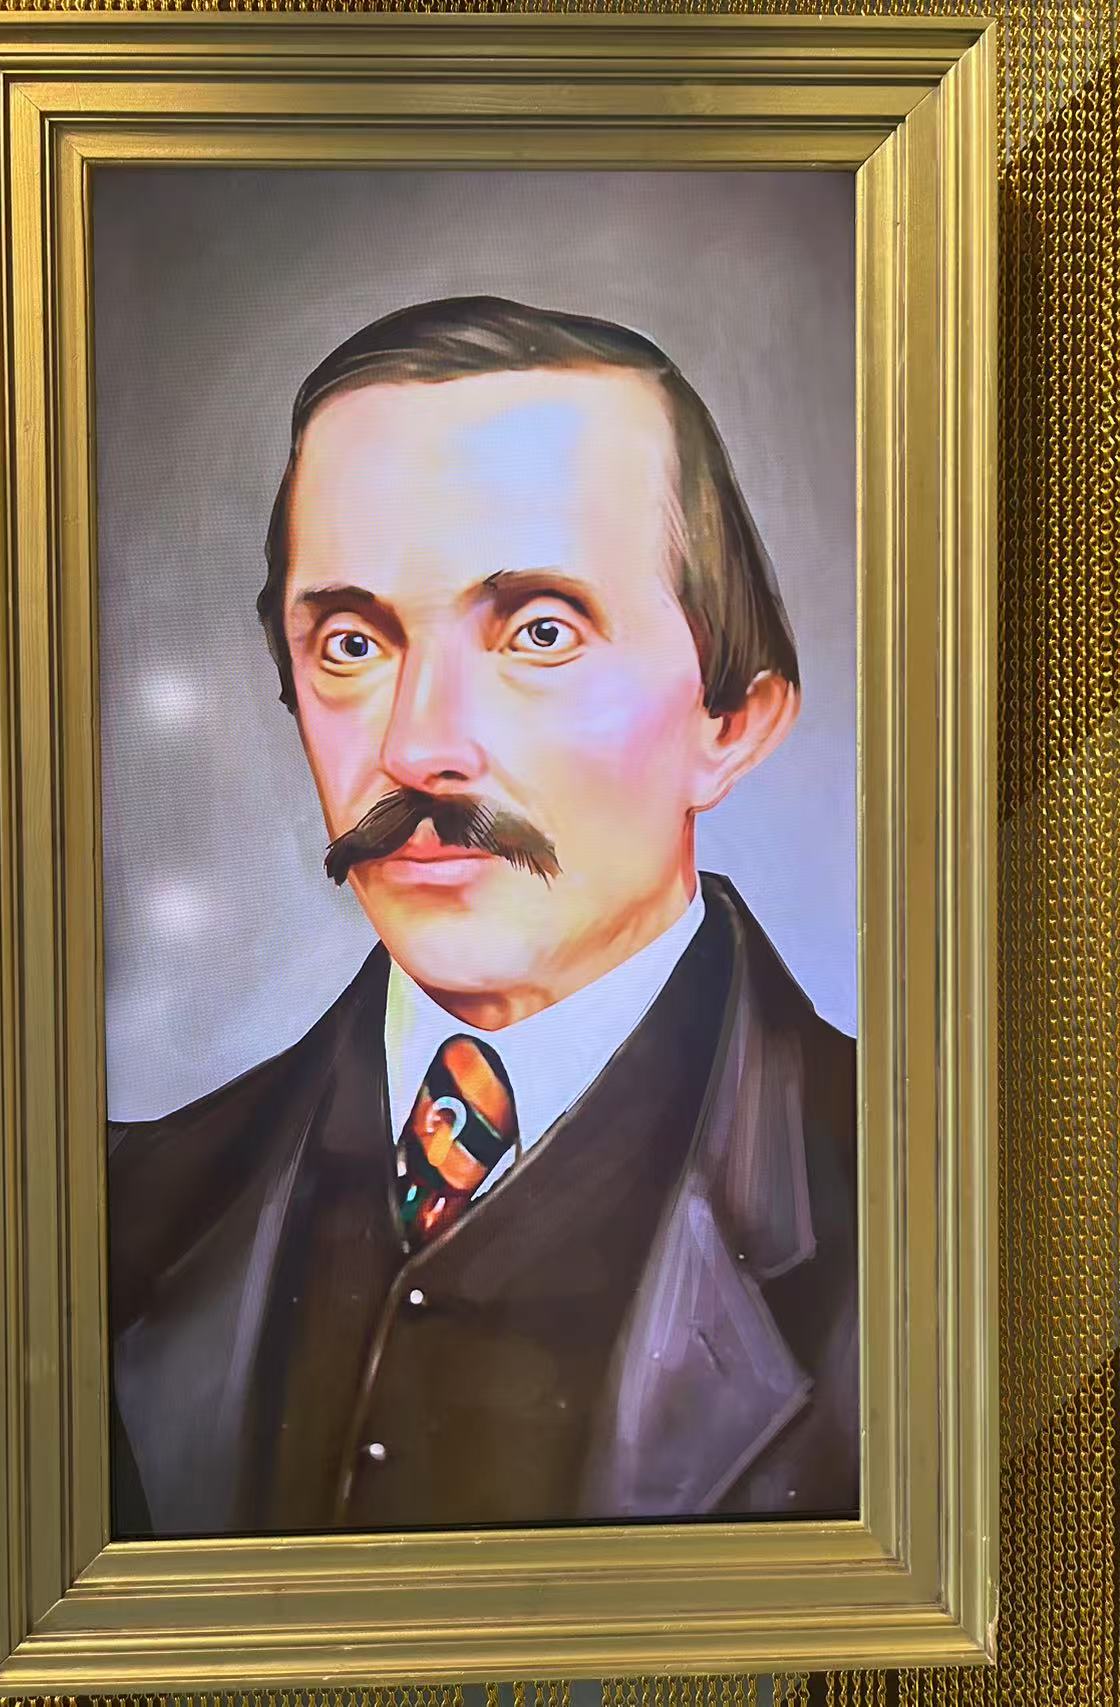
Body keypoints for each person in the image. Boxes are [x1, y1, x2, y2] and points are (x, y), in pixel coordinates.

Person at [108, 296, 858, 1539]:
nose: (417, 747)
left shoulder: (932, 1216)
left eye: (539, 632)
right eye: (351, 643)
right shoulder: (115, 1213)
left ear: (728, 724)